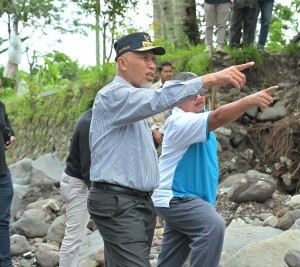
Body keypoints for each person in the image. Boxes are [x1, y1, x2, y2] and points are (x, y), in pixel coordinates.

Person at [87, 31, 255, 267]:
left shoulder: (135, 105)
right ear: (122, 62)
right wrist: (213, 79)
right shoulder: (113, 96)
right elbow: (159, 99)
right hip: (120, 202)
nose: (151, 65)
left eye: (153, 60)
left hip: (138, 203)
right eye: (144, 58)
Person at [152, 71, 278, 267]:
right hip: (177, 197)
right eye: (191, 93)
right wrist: (248, 101)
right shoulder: (179, 121)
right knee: (212, 226)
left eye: (201, 91)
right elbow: (218, 117)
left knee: (171, 258)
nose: (199, 96)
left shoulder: (199, 117)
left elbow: (215, 117)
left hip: (188, 198)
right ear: (176, 100)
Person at [59, 107, 92, 267]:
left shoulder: (88, 117)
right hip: (78, 184)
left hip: (78, 181)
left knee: (74, 237)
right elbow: (87, 168)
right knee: (73, 239)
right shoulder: (89, 123)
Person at [0, 97, 16, 267]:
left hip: (3, 174)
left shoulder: (0, 106)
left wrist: (11, 136)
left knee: (3, 221)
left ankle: (6, 263)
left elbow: (8, 129)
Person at [149, 61, 174, 149]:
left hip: (173, 130)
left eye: (170, 71)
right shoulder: (152, 89)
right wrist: (154, 130)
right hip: (156, 129)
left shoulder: (177, 88)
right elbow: (147, 111)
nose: (168, 74)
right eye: (166, 72)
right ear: (159, 73)